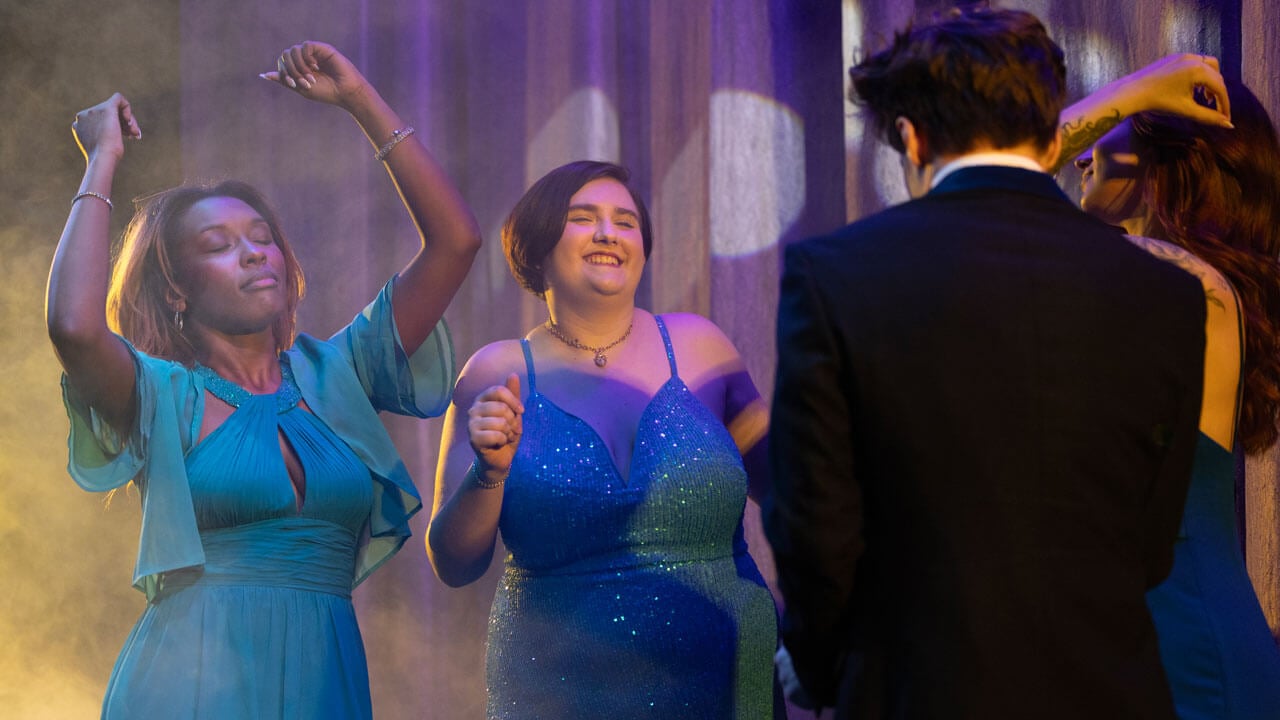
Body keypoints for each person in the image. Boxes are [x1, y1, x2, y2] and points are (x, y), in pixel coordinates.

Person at [764, 8, 1208, 718]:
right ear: (1058, 136)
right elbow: (1152, 544)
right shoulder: (1166, 293)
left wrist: (818, 672)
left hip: (915, 693)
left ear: (911, 139)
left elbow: (814, 529)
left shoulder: (834, 274)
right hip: (1110, 693)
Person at [46, 41, 481, 719]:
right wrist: (100, 157)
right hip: (186, 685)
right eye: (217, 247)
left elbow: (456, 242)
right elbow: (73, 327)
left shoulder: (339, 371)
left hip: (323, 679)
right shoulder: (161, 393)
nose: (252, 253)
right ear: (178, 293)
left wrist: (359, 98)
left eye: (261, 236)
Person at [426, 160, 779, 718]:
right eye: (583, 218)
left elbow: (793, 493)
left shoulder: (701, 348)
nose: (608, 233)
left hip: (726, 680)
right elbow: (454, 562)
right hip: (558, 691)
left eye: (626, 221)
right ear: (538, 244)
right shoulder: (494, 370)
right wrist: (489, 471)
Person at [1075, 76, 1280, 719]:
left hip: (1178, 647)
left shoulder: (1173, 279)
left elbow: (971, 204)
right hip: (1146, 641)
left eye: (1111, 127)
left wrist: (1138, 89)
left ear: (1160, 160)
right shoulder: (1148, 280)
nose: (1081, 153)